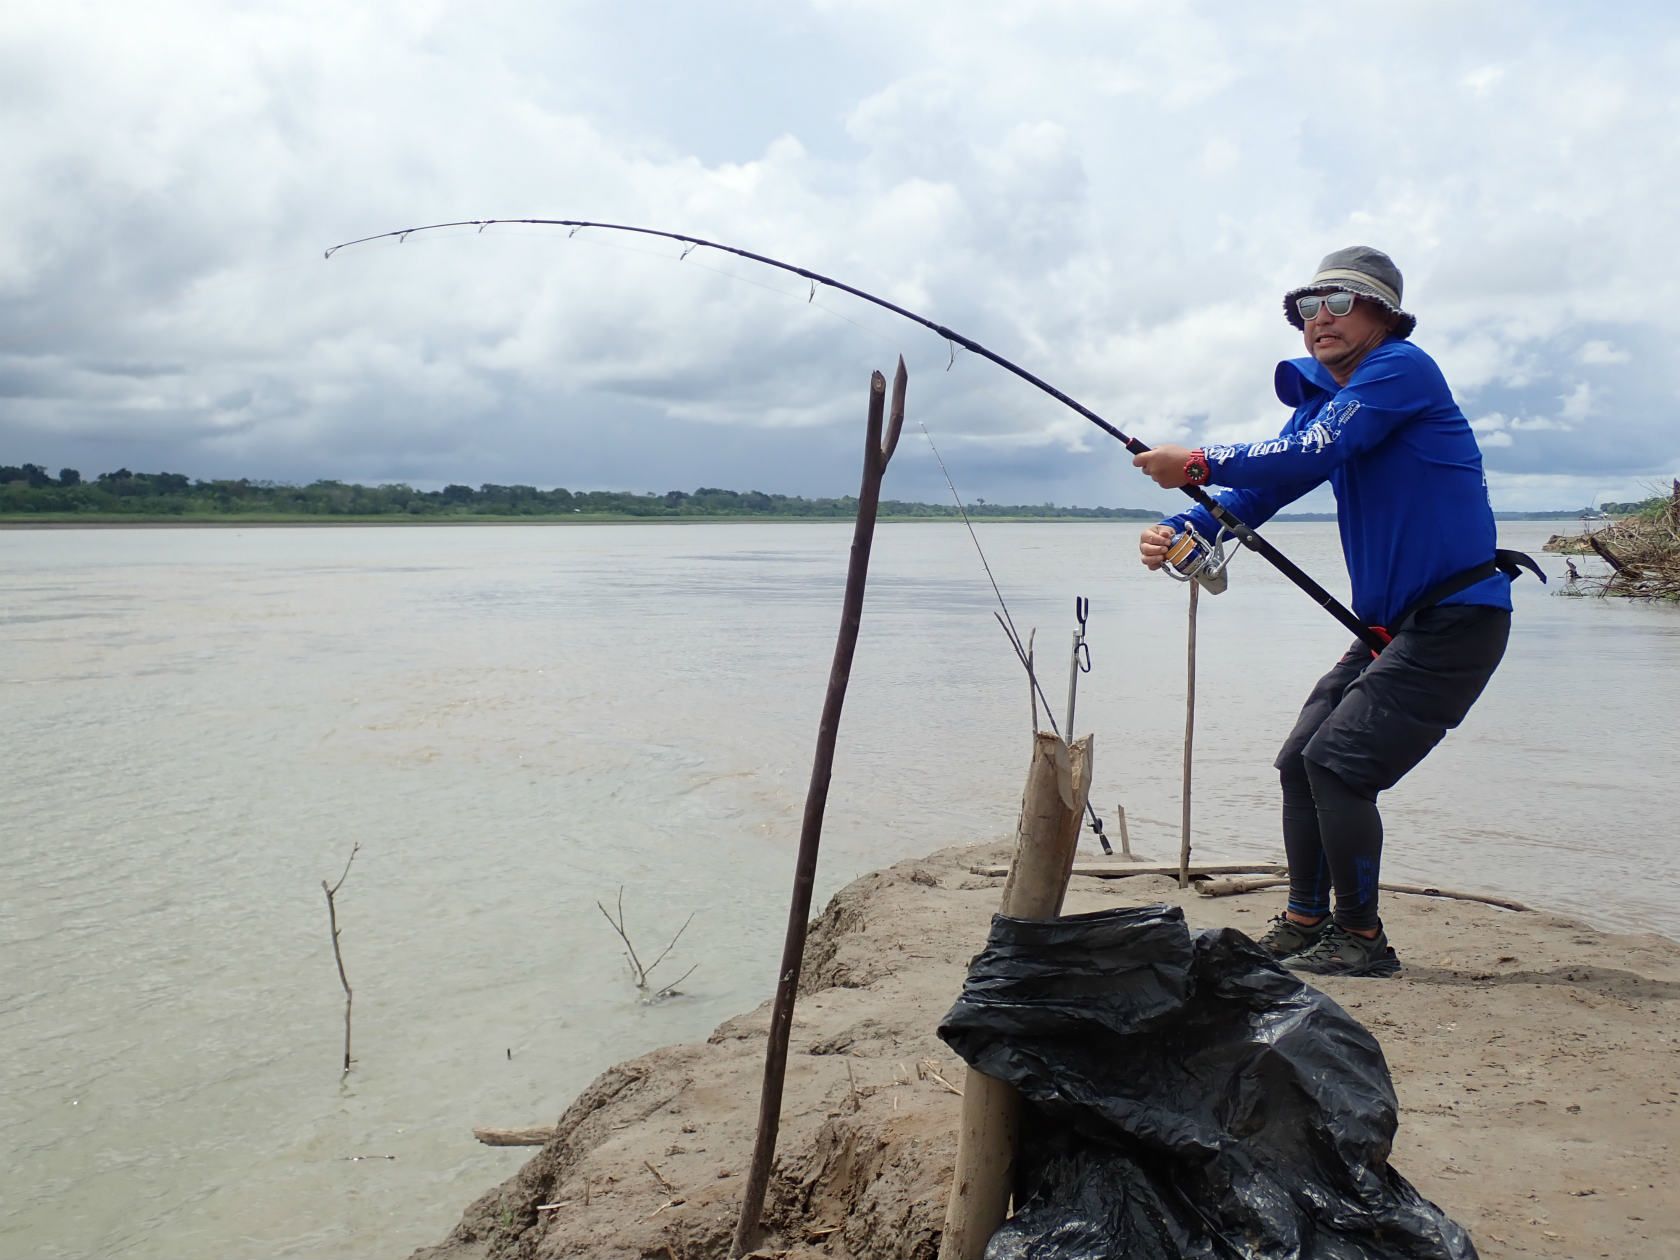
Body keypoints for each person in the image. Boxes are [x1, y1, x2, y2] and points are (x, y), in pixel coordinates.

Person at [1132, 245, 1537, 978]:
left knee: (1340, 764)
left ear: (1386, 313)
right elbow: (1269, 486)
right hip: (1391, 630)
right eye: (1307, 308)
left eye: (1341, 303)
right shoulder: (1331, 402)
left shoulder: (1402, 371)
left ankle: (1361, 937)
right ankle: (1304, 919)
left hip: (1457, 619)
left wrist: (1196, 461)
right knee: (1299, 763)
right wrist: (1187, 529)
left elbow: (1319, 447)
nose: (1320, 319)